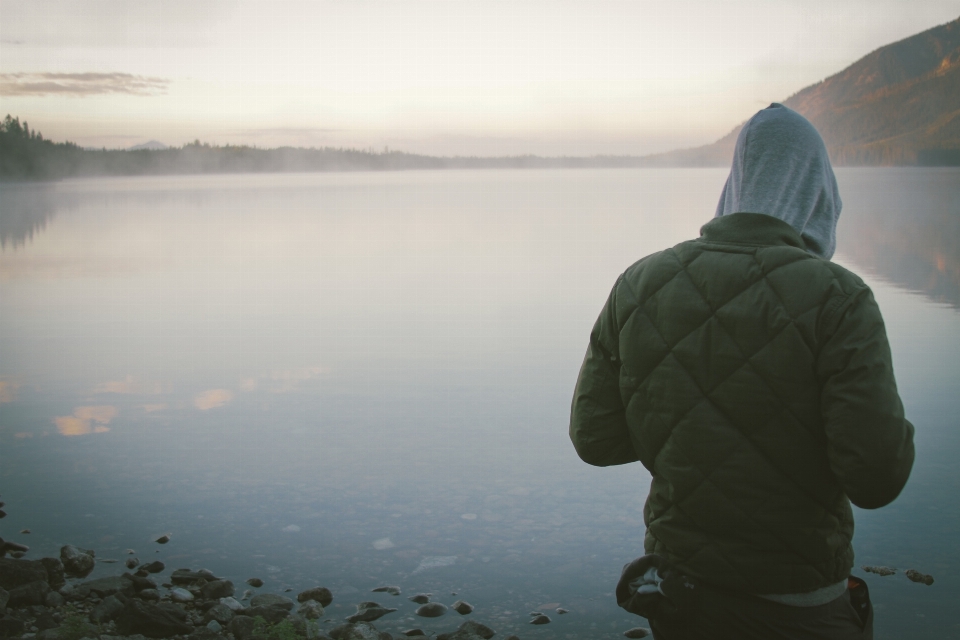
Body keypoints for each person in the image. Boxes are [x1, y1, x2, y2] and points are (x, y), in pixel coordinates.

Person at [568, 103, 915, 639]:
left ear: (737, 183)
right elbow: (875, 478)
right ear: (817, 193)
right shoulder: (839, 299)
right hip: (799, 604)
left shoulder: (639, 284)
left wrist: (685, 426)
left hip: (679, 597)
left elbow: (595, 439)